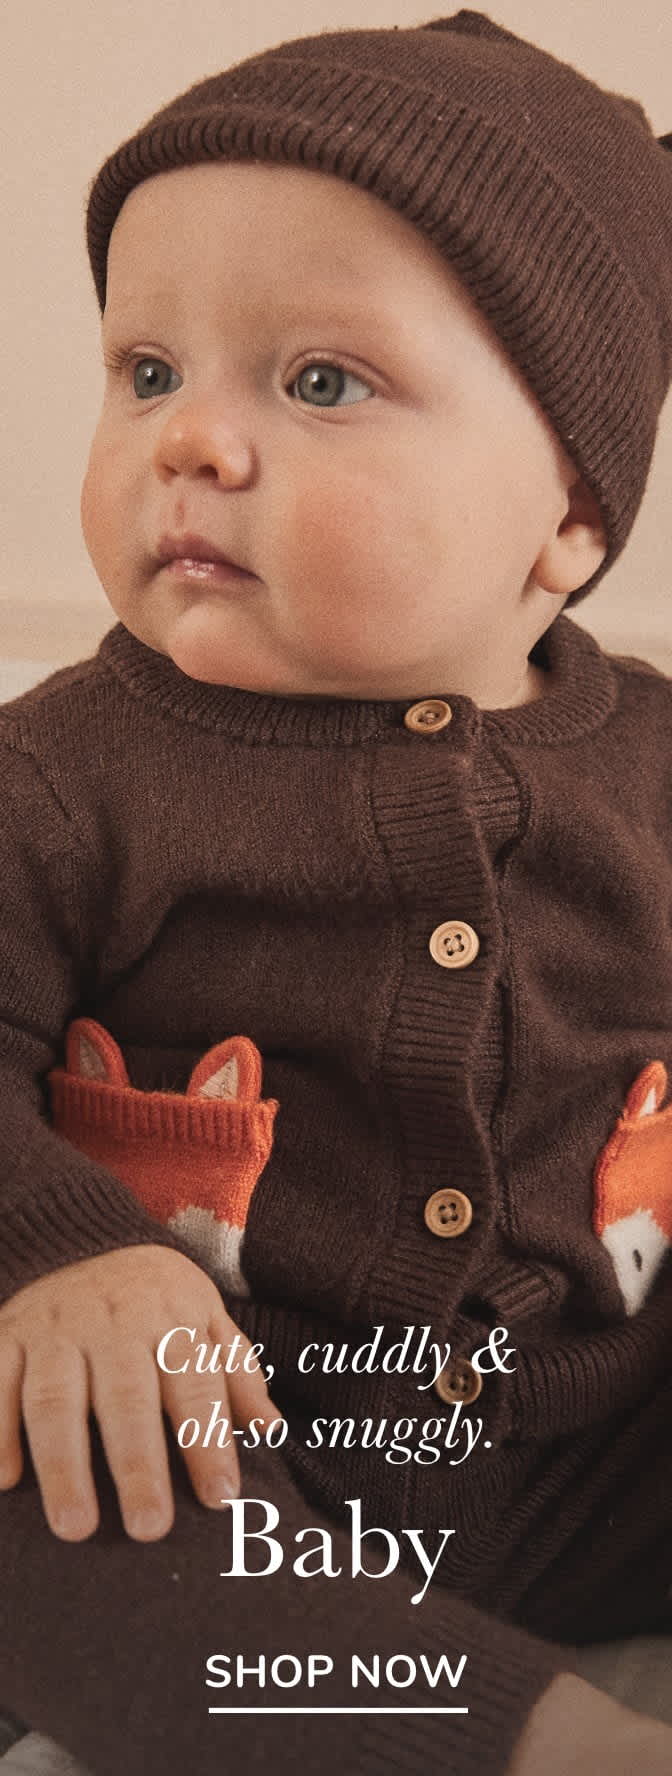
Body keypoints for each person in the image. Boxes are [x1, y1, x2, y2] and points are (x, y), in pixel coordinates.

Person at [1, 10, 672, 1774]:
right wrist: (56, 1253)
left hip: (592, 1445)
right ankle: (519, 1740)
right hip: (217, 1442)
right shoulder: (70, 772)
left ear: (571, 517)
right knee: (38, 1510)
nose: (188, 444)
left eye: (318, 382)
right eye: (146, 371)